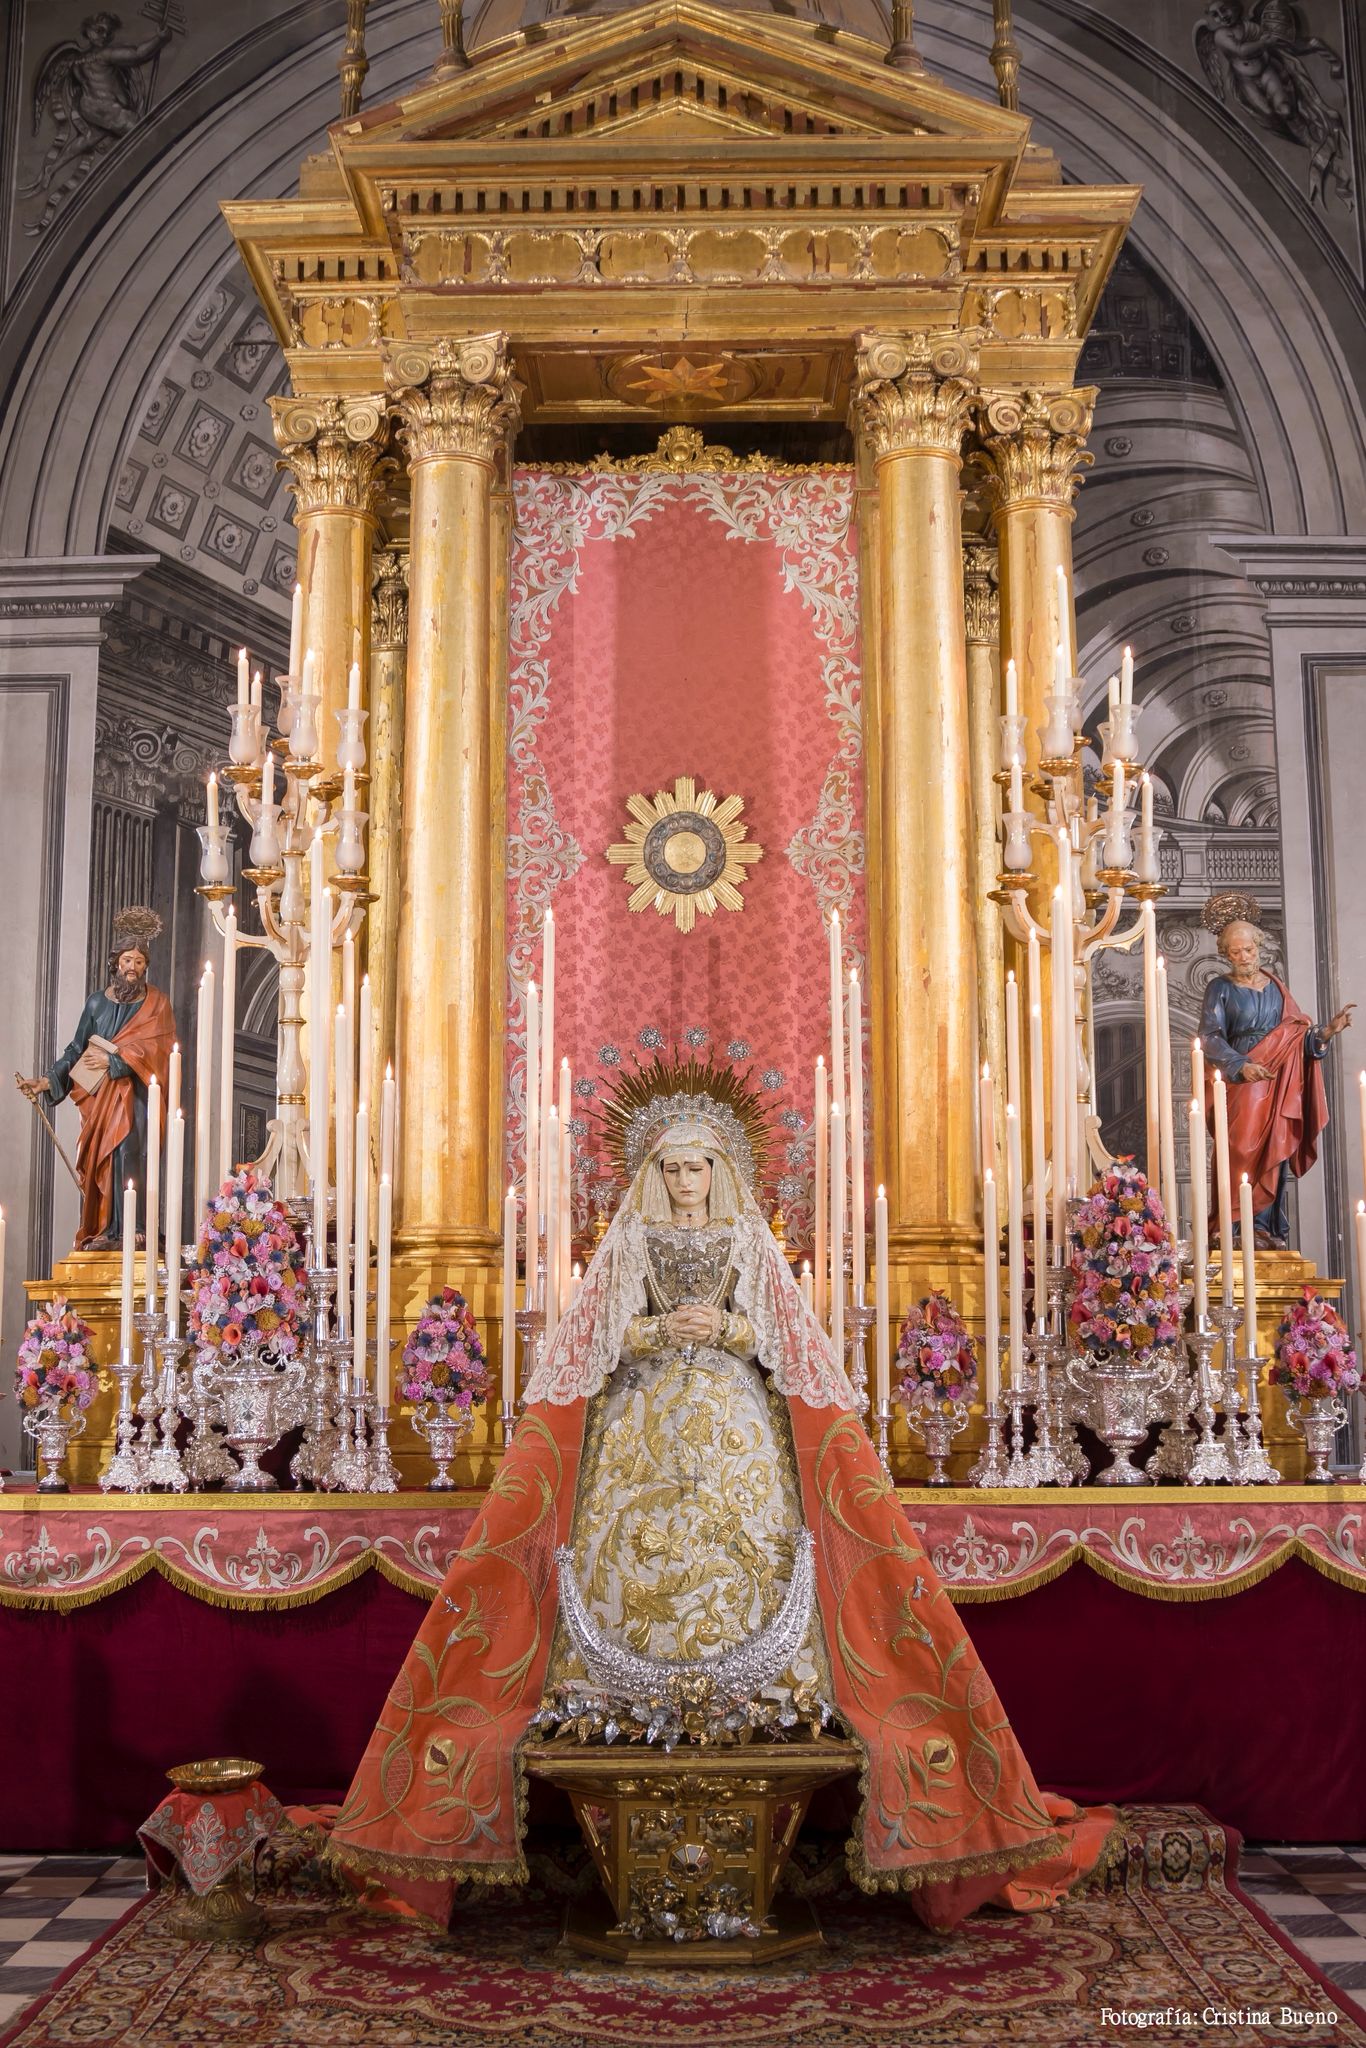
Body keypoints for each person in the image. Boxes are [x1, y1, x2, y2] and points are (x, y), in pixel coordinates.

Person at [329, 1072, 1115, 1933]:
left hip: (736, 1415)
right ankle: (616, 1690)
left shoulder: (746, 1236)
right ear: (652, 1173)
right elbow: (596, 1336)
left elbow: (779, 1330)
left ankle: (766, 1691)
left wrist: (733, 1332)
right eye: (669, 1169)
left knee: (748, 1535)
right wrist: (657, 1333)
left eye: (696, 1168)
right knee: (631, 1538)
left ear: (720, 1169)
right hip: (644, 1416)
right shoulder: (631, 1241)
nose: (683, 1183)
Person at [1198, 891, 1352, 1249]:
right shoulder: (1219, 988)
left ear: (1258, 947)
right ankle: (1233, 1225)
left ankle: (1265, 1227)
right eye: (1235, 952)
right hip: (1242, 1080)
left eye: (1248, 950)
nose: (1243, 958)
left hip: (1279, 1078)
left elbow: (1296, 1035)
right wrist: (1241, 1065)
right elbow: (1209, 1036)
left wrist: (1326, 1032)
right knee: (1239, 1147)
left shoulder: (1276, 989)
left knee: (1274, 1150)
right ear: (1226, 953)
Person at [20, 906, 174, 1250]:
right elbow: (76, 1048)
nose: (132, 968)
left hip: (135, 1093)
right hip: (101, 1097)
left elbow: (162, 1049)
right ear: (115, 963)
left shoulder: (157, 1003)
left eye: (138, 961)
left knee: (129, 1151)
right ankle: (105, 1227)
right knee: (102, 1156)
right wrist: (46, 1081)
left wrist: (116, 1059)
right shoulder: (96, 1004)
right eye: (126, 960)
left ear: (146, 965)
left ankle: (135, 1225)